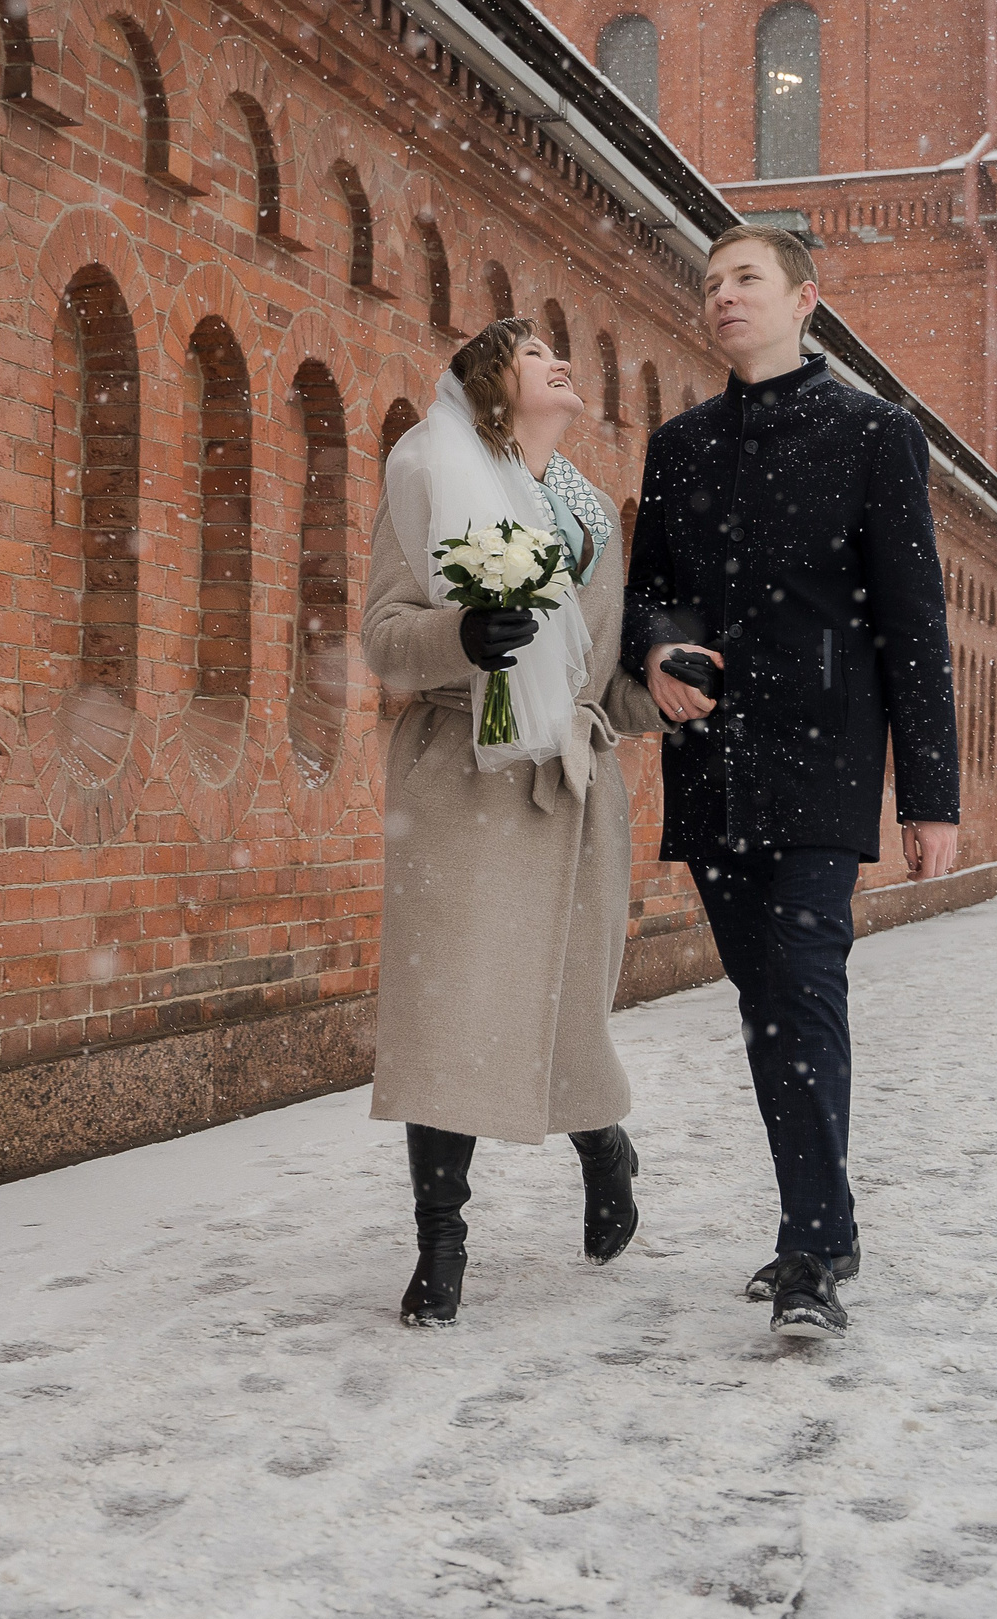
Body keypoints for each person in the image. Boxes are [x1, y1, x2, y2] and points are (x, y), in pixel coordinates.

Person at [622, 224, 961, 1339]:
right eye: (711, 282)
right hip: (713, 767)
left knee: (806, 991)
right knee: (766, 1002)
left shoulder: (873, 436)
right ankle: (831, 1217)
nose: (723, 296)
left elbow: (913, 628)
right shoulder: (679, 446)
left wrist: (928, 795)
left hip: (821, 764)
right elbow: (650, 593)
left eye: (746, 278)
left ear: (803, 298)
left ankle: (807, 1248)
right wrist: (660, 653)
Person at [362, 319, 669, 1327]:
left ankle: (603, 1144)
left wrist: (659, 694)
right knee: (448, 1018)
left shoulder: (591, 515)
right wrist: (465, 635)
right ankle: (440, 1243)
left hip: (568, 793)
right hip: (458, 782)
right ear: (491, 387)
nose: (560, 359)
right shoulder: (436, 484)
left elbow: (601, 678)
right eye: (534, 351)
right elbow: (386, 640)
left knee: (563, 1018)